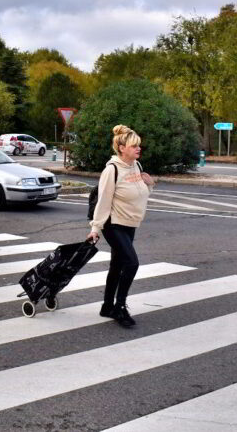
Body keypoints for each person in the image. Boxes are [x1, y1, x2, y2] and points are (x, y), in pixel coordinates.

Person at [87, 124, 155, 327]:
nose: (138, 149)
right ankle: (120, 306)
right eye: (134, 146)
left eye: (139, 145)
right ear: (122, 148)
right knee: (131, 263)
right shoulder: (112, 169)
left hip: (130, 223)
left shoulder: (137, 166)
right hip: (113, 224)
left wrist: (150, 184)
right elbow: (104, 201)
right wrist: (95, 228)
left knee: (117, 265)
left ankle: (107, 306)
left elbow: (142, 195)